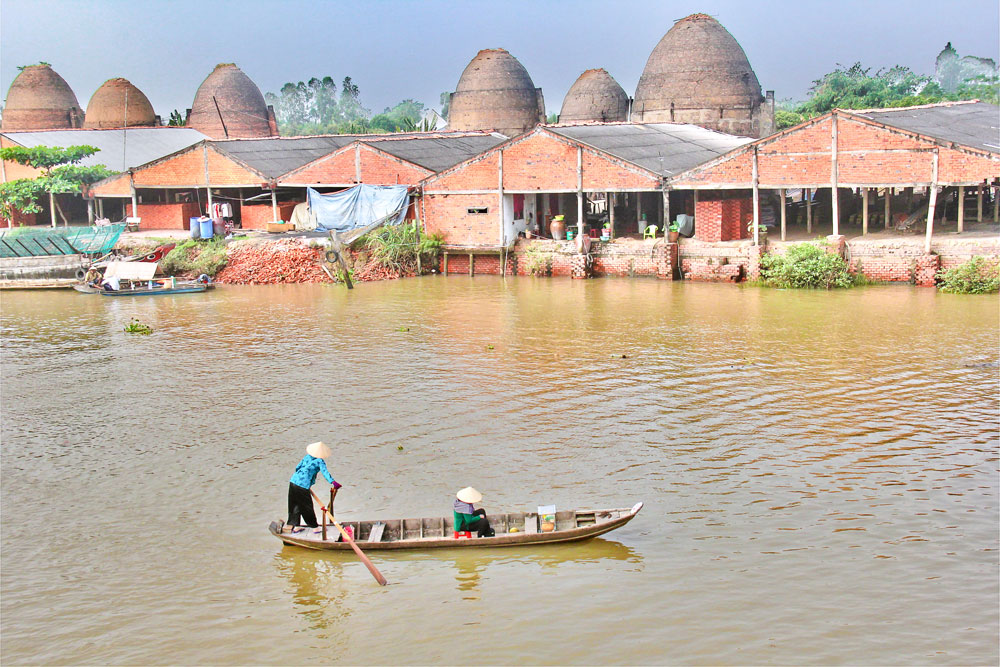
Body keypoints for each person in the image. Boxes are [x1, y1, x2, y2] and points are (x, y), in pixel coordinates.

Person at [286, 441, 341, 534]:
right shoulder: (320, 461)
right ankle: (315, 528)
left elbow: (297, 467)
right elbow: (325, 473)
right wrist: (333, 482)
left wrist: (302, 478)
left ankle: (296, 526)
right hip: (302, 485)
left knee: (295, 504)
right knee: (307, 506)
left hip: (293, 481)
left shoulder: (306, 457)